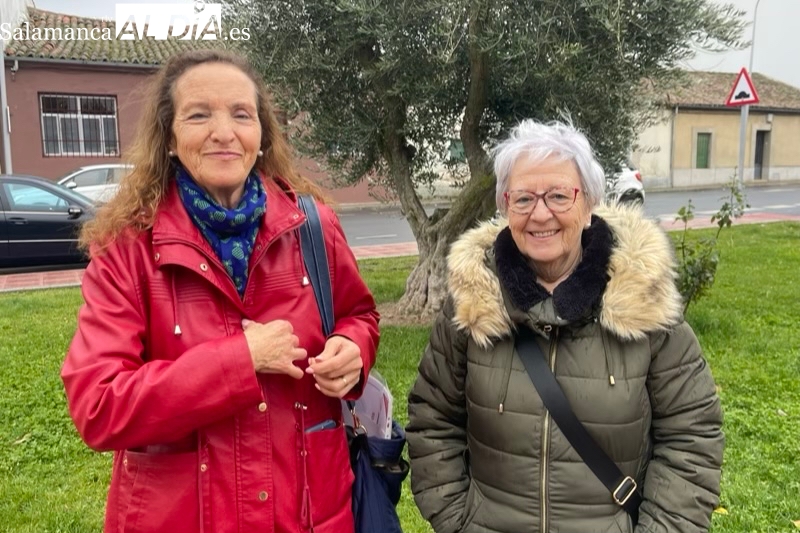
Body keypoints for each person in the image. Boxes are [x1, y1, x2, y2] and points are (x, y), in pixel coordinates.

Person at [61, 49, 379, 533]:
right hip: (181, 517)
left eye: (241, 114)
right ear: (169, 138)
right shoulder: (128, 249)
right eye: (198, 115)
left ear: (261, 134)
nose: (224, 132)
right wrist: (239, 359)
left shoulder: (313, 226)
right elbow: (98, 406)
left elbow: (360, 315)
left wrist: (354, 350)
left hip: (310, 511)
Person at [406, 119, 723, 533]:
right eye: (523, 198)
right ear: (505, 205)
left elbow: (692, 435)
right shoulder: (470, 307)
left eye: (558, 195)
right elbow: (433, 420)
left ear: (588, 203)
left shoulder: (643, 304)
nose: (540, 214)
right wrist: (459, 521)